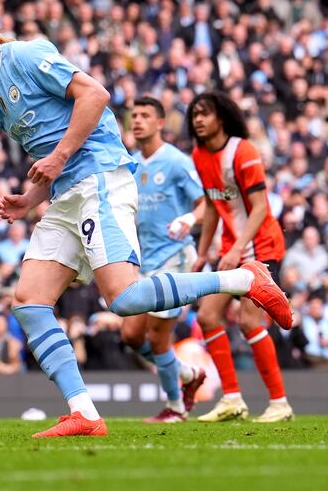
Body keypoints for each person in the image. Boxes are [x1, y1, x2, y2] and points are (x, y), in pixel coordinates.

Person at [0, 2, 291, 437]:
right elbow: (50, 157)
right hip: (66, 195)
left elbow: (96, 95)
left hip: (99, 179)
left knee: (124, 300)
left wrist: (59, 157)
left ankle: (244, 280)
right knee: (30, 303)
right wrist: (30, 199)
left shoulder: (26, 55)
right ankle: (84, 412)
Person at [188, 91, 294, 423]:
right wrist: (203, 253)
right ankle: (232, 399)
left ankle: (280, 403)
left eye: (204, 113)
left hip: (261, 246)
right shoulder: (199, 155)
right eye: (194, 115)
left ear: (222, 116)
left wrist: (235, 250)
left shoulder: (243, 151)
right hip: (230, 250)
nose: (198, 120)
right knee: (207, 316)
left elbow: (262, 207)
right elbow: (212, 208)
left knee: (249, 321)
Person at [120, 96, 207, 423]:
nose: (138, 120)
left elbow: (204, 204)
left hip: (175, 255)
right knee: (131, 335)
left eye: (145, 115)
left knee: (157, 335)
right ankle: (186, 374)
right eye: (134, 115)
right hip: (145, 261)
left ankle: (175, 407)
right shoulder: (130, 162)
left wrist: (188, 219)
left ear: (160, 123)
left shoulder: (176, 161)